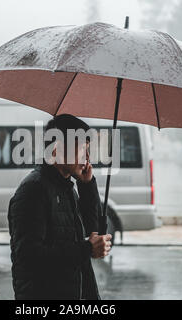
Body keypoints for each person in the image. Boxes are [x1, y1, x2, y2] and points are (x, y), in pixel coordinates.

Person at [8, 114, 112, 300]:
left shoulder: (67, 188)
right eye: (82, 149)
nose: (87, 157)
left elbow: (91, 230)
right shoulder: (34, 190)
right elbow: (29, 256)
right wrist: (86, 249)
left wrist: (87, 186)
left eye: (88, 150)